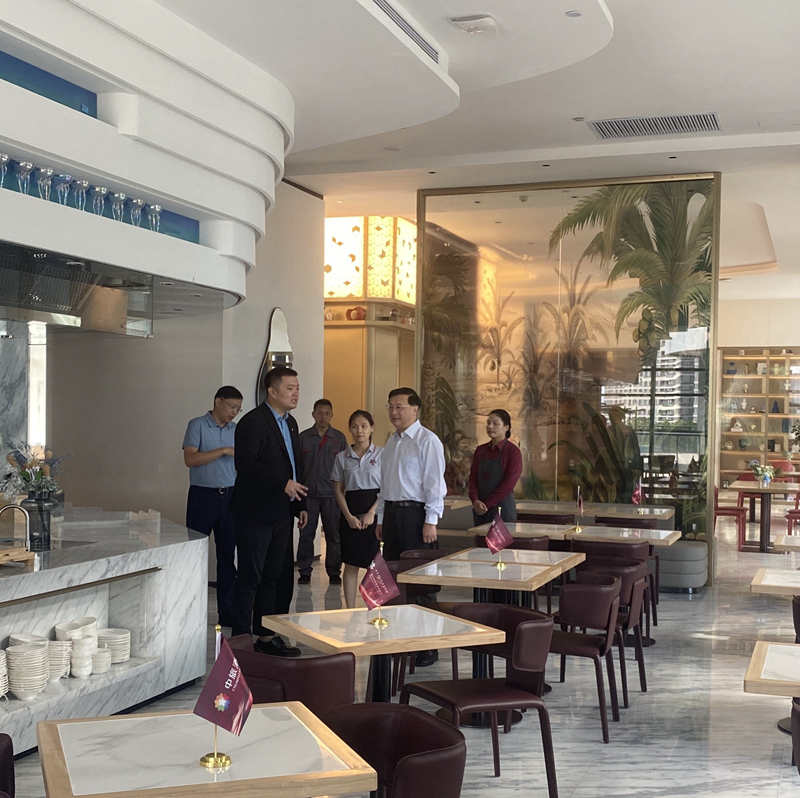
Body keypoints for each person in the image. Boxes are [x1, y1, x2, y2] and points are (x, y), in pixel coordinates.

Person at [230, 366, 308, 657]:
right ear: (272, 391)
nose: (296, 393)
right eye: (290, 388)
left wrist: (300, 504)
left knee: (276, 574)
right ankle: (240, 640)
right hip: (255, 512)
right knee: (251, 576)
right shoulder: (253, 422)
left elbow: (295, 465)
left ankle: (266, 635)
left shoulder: (291, 423)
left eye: (297, 388)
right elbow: (246, 465)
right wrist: (282, 483)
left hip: (282, 512)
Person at [376, 387, 446, 666]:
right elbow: (385, 485)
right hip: (393, 516)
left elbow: (434, 484)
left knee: (420, 583)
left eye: (400, 407)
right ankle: (401, 640)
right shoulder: (392, 442)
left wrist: (431, 520)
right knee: (394, 580)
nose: (394, 412)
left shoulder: (428, 441)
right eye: (391, 406)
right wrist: (381, 519)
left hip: (417, 517)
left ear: (415, 410)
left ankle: (427, 646)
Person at [182, 385, 242, 627]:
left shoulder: (236, 430)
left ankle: (227, 614)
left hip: (230, 497)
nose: (234, 413)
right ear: (218, 402)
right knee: (195, 555)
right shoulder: (197, 425)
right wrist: (223, 451)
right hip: (202, 497)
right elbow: (190, 459)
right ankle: (189, 613)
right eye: (231, 407)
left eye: (238, 409)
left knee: (227, 557)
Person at [331, 410, 382, 607]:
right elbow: (338, 489)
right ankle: (350, 609)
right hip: (350, 512)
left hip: (374, 512)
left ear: (372, 428)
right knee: (350, 564)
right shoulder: (342, 457)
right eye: (354, 426)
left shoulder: (382, 454)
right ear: (349, 429)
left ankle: (375, 609)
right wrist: (348, 516)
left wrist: (372, 512)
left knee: (374, 564)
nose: (359, 431)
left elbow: (386, 488)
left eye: (364, 426)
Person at [298, 399, 347, 585]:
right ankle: (304, 571)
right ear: (313, 414)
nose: (323, 417)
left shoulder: (339, 438)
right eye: (319, 413)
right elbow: (297, 466)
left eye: (327, 413)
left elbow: (345, 467)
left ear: (331, 415)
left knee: (333, 535)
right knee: (306, 535)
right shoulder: (303, 437)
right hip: (308, 494)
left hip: (332, 495)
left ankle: (334, 572)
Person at [468, 408, 523, 525]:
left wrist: (486, 505)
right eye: (488, 423)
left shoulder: (513, 452)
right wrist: (475, 500)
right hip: (480, 510)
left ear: (506, 427)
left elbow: (508, 485)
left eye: (495, 423)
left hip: (502, 510)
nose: (490, 426)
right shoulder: (480, 450)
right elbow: (472, 479)